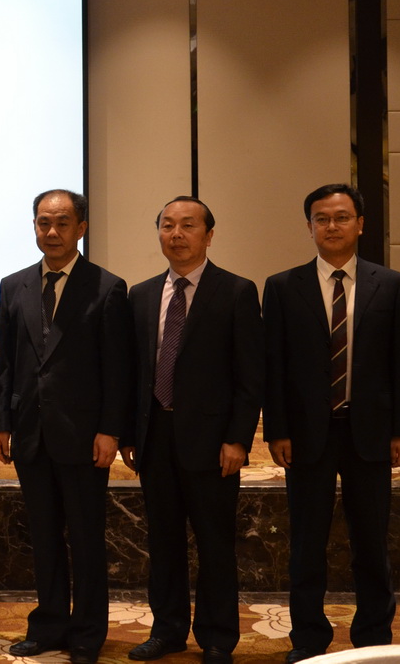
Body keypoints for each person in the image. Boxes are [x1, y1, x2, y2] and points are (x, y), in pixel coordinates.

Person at [263, 184, 400, 661]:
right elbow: (274, 366)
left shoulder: (391, 284)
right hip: (306, 435)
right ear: (309, 226)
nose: (332, 226)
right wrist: (277, 430)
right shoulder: (282, 286)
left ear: (360, 224)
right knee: (306, 543)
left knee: (370, 541)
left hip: (369, 433)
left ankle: (373, 637)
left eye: (342, 217)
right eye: (322, 219)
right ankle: (308, 639)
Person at [121, 196, 263, 664]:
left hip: (213, 442)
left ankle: (218, 638)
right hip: (155, 437)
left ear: (209, 235)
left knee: (215, 544)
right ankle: (167, 631)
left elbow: (250, 376)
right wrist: (129, 434)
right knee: (163, 543)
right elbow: (133, 372)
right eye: (167, 225)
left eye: (188, 225)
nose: (176, 234)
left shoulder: (237, 291)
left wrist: (238, 439)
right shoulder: (142, 294)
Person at [0, 189, 132, 664]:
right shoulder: (13, 285)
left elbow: (117, 368)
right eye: (43, 223)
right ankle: (49, 625)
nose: (51, 232)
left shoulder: (107, 287)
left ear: (81, 228)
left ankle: (88, 634)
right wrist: (2, 422)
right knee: (44, 537)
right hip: (30, 433)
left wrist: (111, 430)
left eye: (62, 223)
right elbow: (6, 362)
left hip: (84, 435)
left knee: (87, 540)